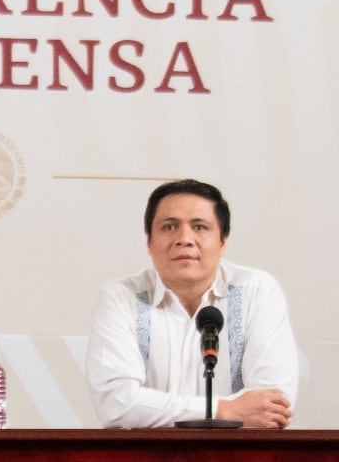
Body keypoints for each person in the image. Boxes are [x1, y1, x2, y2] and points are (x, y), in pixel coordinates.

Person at [85, 179, 297, 429]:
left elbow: (272, 408)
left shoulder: (257, 291)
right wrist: (223, 410)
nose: (184, 239)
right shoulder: (121, 298)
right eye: (169, 226)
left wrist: (154, 410)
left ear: (223, 242)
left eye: (199, 227)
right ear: (149, 242)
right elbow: (116, 404)